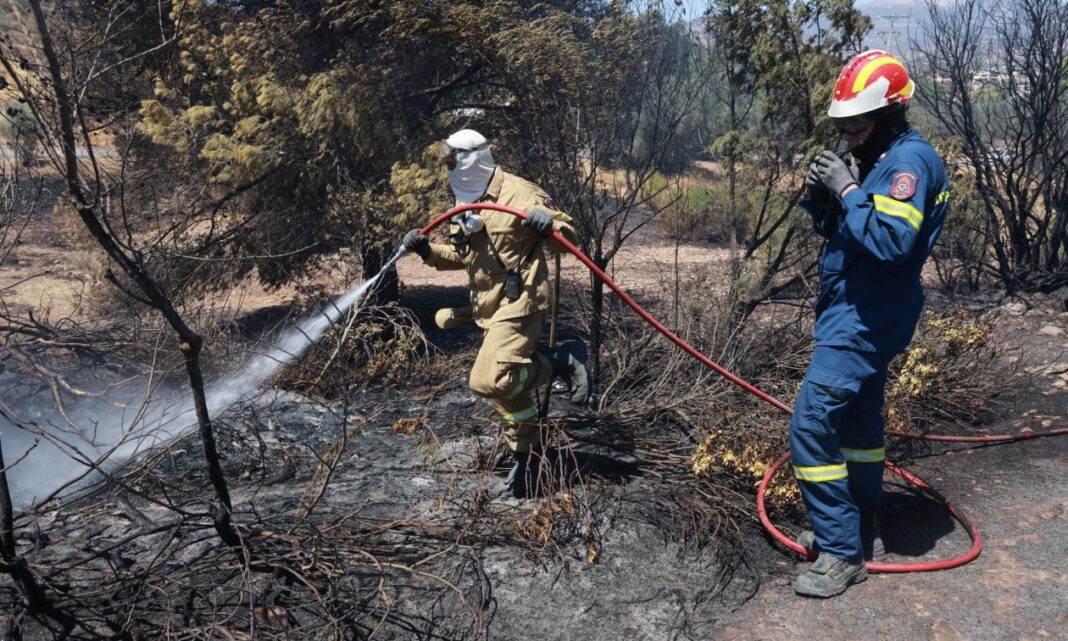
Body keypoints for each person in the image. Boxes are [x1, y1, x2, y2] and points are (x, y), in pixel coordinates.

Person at [792, 50, 951, 597]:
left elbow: (890, 241)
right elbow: (850, 235)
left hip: (865, 319)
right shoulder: (883, 158)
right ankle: (861, 529)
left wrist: (847, 189)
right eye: (843, 127)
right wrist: (824, 199)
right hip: (859, 311)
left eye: (857, 125)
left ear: (890, 114)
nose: (848, 136)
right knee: (858, 427)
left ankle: (840, 552)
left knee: (811, 426)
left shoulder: (910, 164)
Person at [402, 129, 591, 499]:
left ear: (473, 157)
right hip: (488, 308)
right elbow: (462, 256)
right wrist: (426, 251)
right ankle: (527, 454)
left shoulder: (521, 193)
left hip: (521, 303)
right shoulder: (464, 201)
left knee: (488, 380)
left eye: (453, 159)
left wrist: (548, 224)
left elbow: (569, 237)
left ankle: (560, 360)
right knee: (506, 392)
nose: (449, 167)